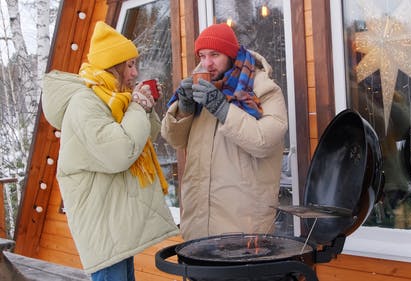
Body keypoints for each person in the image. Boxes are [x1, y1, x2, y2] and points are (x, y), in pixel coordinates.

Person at [41, 21, 179, 281]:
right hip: (103, 227)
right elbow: (120, 153)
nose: (135, 73)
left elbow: (142, 140)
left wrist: (144, 107)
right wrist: (137, 107)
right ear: (112, 65)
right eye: (129, 65)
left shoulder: (112, 98)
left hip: (115, 225)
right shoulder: (85, 103)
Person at [161, 23, 288, 241]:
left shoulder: (263, 88)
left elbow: (265, 141)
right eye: (202, 55)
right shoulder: (201, 87)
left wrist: (223, 109)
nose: (206, 63)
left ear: (230, 55)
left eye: (215, 55)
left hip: (242, 226)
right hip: (197, 222)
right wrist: (184, 109)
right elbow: (174, 140)